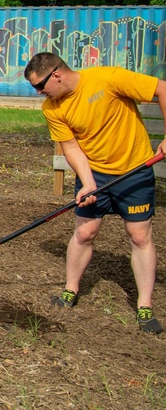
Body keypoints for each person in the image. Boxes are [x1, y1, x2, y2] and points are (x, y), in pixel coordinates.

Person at [24, 52, 166, 334]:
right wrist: (88, 182)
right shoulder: (52, 108)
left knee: (139, 236)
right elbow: (72, 147)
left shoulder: (108, 79)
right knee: (85, 233)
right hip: (95, 173)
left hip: (134, 170)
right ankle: (70, 290)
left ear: (57, 75)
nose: (39, 93)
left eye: (40, 86)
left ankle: (145, 305)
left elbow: (162, 88)